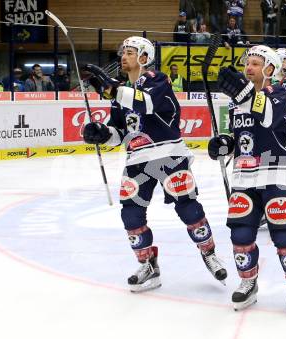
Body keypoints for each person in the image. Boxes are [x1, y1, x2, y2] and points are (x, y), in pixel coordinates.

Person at [82, 36, 227, 292]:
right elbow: (120, 133)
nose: (123, 56)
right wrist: (102, 133)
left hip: (168, 154)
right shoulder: (120, 96)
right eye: (123, 52)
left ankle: (209, 253)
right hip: (136, 159)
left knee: (188, 208)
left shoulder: (156, 80)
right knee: (131, 213)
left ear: (144, 58)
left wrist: (113, 89)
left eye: (129, 52)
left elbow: (145, 103)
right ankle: (149, 264)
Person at [209, 45, 286, 313]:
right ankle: (248, 282)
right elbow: (242, 137)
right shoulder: (236, 103)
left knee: (284, 235)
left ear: (270, 69)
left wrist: (246, 95)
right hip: (244, 175)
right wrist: (224, 144)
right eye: (246, 63)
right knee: (240, 234)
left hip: (278, 174)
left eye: (254, 63)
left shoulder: (284, 94)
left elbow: (269, 119)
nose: (247, 67)